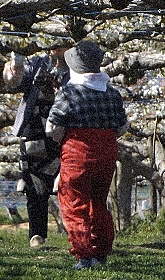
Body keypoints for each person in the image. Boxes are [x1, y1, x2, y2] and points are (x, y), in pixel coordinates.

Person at [46, 40, 128, 271]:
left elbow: (52, 127)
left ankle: (84, 256)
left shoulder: (69, 92)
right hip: (106, 153)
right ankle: (101, 252)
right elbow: (122, 126)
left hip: (77, 152)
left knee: (74, 203)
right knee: (98, 203)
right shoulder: (112, 93)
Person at [3, 42, 71, 248]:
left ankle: (76, 232)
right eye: (53, 44)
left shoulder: (76, 68)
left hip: (64, 132)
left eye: (62, 44)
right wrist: (16, 63)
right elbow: (14, 81)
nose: (56, 49)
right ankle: (37, 234)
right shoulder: (37, 64)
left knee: (69, 183)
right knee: (34, 185)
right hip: (33, 130)